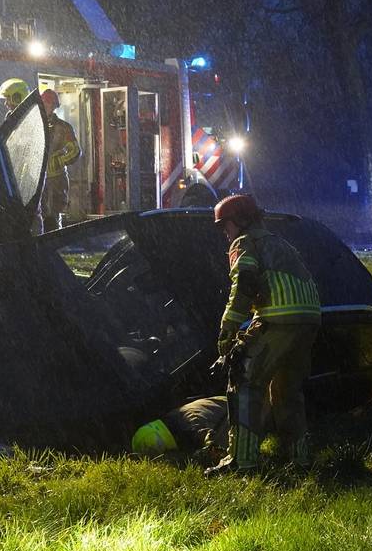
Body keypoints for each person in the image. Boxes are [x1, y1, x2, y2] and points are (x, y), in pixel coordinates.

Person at [204, 194, 322, 476]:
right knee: (287, 391)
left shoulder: (244, 244)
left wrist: (228, 328)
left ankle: (241, 461)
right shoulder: (278, 241)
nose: (225, 233)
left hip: (278, 318)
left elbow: (243, 285)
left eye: (225, 226)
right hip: (308, 319)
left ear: (240, 221)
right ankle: (301, 460)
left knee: (244, 381)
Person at [131, 396, 230, 458]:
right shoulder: (173, 416)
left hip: (240, 411)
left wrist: (206, 452)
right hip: (229, 402)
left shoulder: (193, 427)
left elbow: (213, 444)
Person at [40, 88, 80, 230]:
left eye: (48, 104)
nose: (45, 107)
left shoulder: (63, 128)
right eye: (43, 103)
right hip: (37, 179)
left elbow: (75, 151)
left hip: (56, 179)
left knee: (54, 216)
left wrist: (59, 161)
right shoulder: (36, 125)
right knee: (40, 215)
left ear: (54, 106)